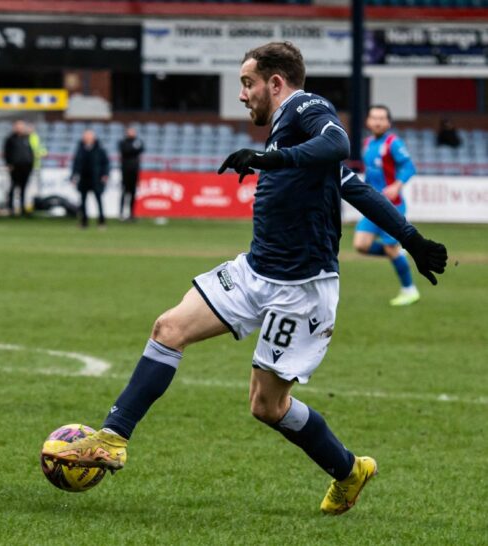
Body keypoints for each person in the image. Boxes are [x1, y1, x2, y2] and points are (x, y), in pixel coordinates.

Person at [43, 42, 447, 515]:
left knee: (267, 407)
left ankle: (349, 470)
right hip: (254, 271)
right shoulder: (286, 132)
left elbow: (339, 146)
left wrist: (410, 239)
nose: (242, 95)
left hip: (302, 290)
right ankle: (113, 438)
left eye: (247, 83)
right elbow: (350, 184)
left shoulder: (305, 106)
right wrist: (412, 238)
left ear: (275, 83)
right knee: (168, 328)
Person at [354, 105, 421, 306]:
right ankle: (397, 253)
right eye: (374, 117)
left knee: (390, 249)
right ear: (368, 121)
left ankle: (409, 290)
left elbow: (409, 166)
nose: (377, 122)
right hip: (372, 206)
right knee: (361, 245)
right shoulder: (367, 143)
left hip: (392, 207)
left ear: (388, 122)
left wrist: (397, 185)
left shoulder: (393, 143)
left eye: (381, 118)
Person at [71, 129, 109, 229]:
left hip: (96, 179)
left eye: (89, 136)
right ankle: (84, 222)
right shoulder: (80, 149)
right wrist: (73, 176)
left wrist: (105, 174)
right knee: (83, 201)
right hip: (83, 179)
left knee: (99, 200)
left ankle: (101, 221)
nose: (87, 138)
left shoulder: (100, 149)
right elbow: (76, 164)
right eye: (85, 136)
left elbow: (105, 163)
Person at [3, 120, 34, 216]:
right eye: (18, 126)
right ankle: (10, 208)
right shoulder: (10, 139)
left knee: (23, 188)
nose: (20, 128)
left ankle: (22, 208)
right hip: (15, 167)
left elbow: (30, 152)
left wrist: (31, 163)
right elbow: (6, 152)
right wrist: (9, 164)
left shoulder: (26, 138)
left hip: (26, 166)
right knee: (13, 187)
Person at [118, 126, 144, 221]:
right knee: (125, 192)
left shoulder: (137, 141)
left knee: (133, 193)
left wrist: (132, 149)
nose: (132, 133)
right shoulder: (123, 142)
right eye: (130, 131)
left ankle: (131, 214)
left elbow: (142, 148)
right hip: (125, 171)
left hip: (134, 171)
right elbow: (126, 151)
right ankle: (121, 213)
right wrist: (133, 149)